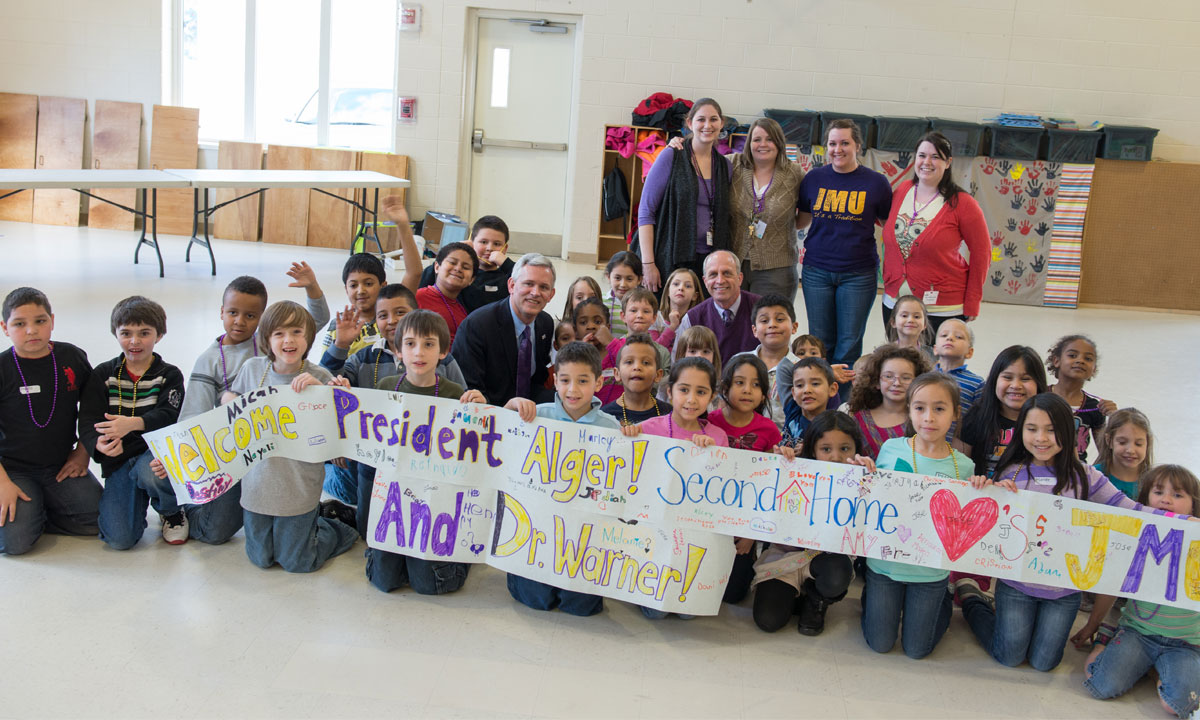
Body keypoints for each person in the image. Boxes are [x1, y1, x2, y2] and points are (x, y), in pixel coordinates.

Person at [956, 393, 1192, 672]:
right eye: (1032, 429)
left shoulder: (1086, 476)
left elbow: (1132, 510)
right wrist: (984, 487)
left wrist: (1185, 522)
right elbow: (989, 518)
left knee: (1045, 663)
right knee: (1009, 656)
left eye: (1052, 430)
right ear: (1022, 432)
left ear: (1068, 432)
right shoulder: (1012, 470)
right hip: (1017, 585)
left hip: (1063, 591)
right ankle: (973, 600)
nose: (1041, 438)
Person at [179, 271, 331, 544]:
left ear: (262, 320)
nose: (240, 321)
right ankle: (188, 508)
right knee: (216, 533)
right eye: (233, 313)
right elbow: (194, 413)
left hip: (282, 456)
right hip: (235, 451)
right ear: (222, 312)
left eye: (251, 316)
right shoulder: (211, 360)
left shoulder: (276, 342)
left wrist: (312, 288)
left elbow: (312, 322)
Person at [223, 301, 358, 573]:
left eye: (297, 332)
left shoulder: (318, 375)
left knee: (299, 561)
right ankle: (308, 527)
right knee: (261, 558)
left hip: (299, 485)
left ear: (308, 338)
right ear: (267, 339)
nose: (289, 340)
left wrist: (323, 393)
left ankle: (336, 524)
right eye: (279, 333)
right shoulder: (253, 369)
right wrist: (228, 398)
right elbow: (232, 402)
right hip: (258, 486)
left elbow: (342, 430)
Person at [360, 310, 480, 594]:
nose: (419, 352)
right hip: (394, 497)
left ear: (443, 351)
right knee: (384, 581)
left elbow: (474, 443)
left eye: (429, 344)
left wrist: (480, 408)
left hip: (434, 498)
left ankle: (461, 559)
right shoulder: (386, 388)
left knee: (430, 584)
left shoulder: (453, 393)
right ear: (398, 351)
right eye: (411, 343)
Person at [863, 373, 982, 659]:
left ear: (954, 413)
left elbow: (964, 520)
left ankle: (942, 600)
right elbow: (874, 496)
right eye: (919, 408)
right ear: (909, 411)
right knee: (880, 644)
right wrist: (864, 471)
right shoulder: (891, 449)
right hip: (885, 565)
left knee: (917, 650)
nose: (929, 417)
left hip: (930, 571)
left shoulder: (964, 467)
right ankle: (874, 599)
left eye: (939, 409)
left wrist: (984, 490)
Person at [624, 357, 750, 618]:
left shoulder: (716, 436)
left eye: (701, 392)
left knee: (687, 612)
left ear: (712, 396)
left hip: (694, 531)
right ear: (669, 392)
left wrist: (709, 455)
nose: (691, 399)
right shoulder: (647, 429)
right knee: (656, 613)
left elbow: (721, 488)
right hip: (654, 529)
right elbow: (629, 471)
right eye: (684, 390)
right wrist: (627, 438)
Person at [503, 341, 619, 616]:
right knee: (537, 600)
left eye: (582, 381)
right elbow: (500, 433)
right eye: (565, 380)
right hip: (538, 528)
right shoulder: (536, 415)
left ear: (598, 382)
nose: (573, 389)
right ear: (555, 380)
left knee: (581, 607)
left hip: (582, 534)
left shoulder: (611, 427)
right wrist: (511, 404)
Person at [1080, 465, 1200, 719]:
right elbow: (1112, 584)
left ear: (1193, 506)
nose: (1166, 500)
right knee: (1099, 685)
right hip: (1139, 633)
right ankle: (1106, 640)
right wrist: (1094, 625)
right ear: (1145, 500)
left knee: (1177, 706)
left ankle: (1157, 669)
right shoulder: (1135, 534)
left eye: (1178, 495)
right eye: (1158, 493)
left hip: (1186, 643)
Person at [78, 296, 186, 549]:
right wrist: (99, 445)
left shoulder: (168, 375)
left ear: (159, 335)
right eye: (126, 333)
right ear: (115, 333)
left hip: (153, 453)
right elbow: (87, 420)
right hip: (118, 460)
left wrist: (132, 424)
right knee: (119, 539)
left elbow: (169, 416)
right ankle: (135, 503)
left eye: (144, 333)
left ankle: (171, 510)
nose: (135, 341)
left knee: (149, 472)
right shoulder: (103, 374)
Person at [0, 288, 101, 555]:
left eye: (40, 321)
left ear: (52, 321)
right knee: (15, 543)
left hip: (59, 466)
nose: (32, 330)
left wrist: (82, 453)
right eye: (20, 324)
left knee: (102, 521)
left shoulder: (72, 357)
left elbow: (93, 409)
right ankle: (29, 514)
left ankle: (37, 512)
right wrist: (2, 483)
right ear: (4, 328)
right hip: (12, 470)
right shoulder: (2, 368)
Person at [796, 119, 893, 397]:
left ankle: (843, 404)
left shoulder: (876, 183)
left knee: (849, 345)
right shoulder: (814, 178)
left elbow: (889, 228)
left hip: (858, 274)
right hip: (817, 271)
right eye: (833, 143)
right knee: (821, 343)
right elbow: (800, 221)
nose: (838, 149)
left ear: (858, 146)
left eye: (845, 143)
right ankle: (819, 400)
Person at [754, 411, 869, 635]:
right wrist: (779, 465)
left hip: (826, 559)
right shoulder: (796, 470)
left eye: (844, 448)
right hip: (786, 556)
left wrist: (870, 478)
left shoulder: (861, 479)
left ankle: (817, 601)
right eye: (826, 449)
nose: (835, 456)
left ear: (856, 449)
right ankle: (795, 593)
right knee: (768, 621)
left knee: (837, 574)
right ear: (813, 450)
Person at [670, 117, 804, 300]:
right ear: (749, 143)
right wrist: (678, 145)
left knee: (769, 322)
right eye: (757, 139)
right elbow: (699, 160)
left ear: (779, 143)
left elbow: (805, 215)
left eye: (770, 139)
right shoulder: (733, 164)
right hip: (733, 264)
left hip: (777, 268)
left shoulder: (795, 174)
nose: (763, 144)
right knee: (732, 322)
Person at [880, 131, 990, 332]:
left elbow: (982, 254)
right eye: (922, 155)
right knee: (897, 361)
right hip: (895, 303)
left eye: (935, 157)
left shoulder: (963, 204)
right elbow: (888, 224)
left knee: (933, 362)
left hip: (942, 308)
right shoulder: (903, 190)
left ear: (948, 162)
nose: (927, 162)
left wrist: (973, 300)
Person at [637, 98, 732, 291]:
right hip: (670, 257)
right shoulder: (672, 155)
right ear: (689, 123)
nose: (707, 125)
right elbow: (646, 211)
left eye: (713, 119)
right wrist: (648, 265)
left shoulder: (725, 166)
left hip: (709, 262)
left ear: (721, 123)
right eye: (701, 119)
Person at [451, 253, 557, 406]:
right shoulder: (477, 326)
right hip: (489, 410)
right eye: (528, 284)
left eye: (544, 287)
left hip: (529, 409)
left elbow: (537, 380)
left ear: (551, 295)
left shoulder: (545, 323)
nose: (535, 292)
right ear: (511, 285)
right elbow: (468, 389)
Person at [675, 250, 760, 363]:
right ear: (705, 281)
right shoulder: (692, 319)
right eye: (713, 274)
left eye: (727, 273)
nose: (720, 281)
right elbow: (678, 364)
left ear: (739, 278)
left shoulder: (762, 310)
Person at [845, 345, 930, 458]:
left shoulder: (924, 420)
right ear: (876, 381)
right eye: (888, 376)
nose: (897, 383)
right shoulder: (859, 420)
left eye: (905, 378)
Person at [419, 215, 514, 312]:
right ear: (472, 242)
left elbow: (526, 279)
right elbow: (425, 282)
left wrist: (506, 263)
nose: (489, 248)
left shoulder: (508, 275)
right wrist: (453, 252)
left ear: (505, 248)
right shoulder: (463, 274)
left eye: (497, 244)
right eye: (483, 242)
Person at [1045, 334, 1116, 462]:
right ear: (1056, 361)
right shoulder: (1039, 396)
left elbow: (1106, 453)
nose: (1080, 360)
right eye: (1072, 355)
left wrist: (1114, 418)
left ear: (1093, 369)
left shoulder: (1095, 407)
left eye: (1088, 359)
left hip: (1076, 475)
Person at [732, 294, 799, 427]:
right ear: (754, 330)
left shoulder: (801, 368)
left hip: (785, 441)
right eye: (764, 321)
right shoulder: (739, 361)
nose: (772, 325)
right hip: (741, 437)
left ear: (794, 327)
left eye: (780, 319)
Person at [599, 288, 670, 405]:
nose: (640, 315)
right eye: (633, 310)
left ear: (654, 318)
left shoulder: (662, 352)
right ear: (623, 316)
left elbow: (661, 386)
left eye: (646, 311)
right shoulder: (613, 347)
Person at [708, 355, 788, 455]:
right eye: (740, 382)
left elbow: (772, 465)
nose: (747, 390)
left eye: (756, 384)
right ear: (725, 388)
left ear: (763, 395)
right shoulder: (709, 422)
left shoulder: (769, 429)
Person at [415, 241, 478, 346]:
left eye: (466, 267)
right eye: (452, 263)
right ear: (436, 267)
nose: (458, 269)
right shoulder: (417, 298)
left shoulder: (462, 311)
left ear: (471, 280)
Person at [600, 332, 669, 426]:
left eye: (646, 363)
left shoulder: (670, 414)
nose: (637, 367)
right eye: (629, 362)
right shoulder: (605, 416)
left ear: (658, 375)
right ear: (617, 373)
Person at [932, 317, 983, 440]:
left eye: (959, 337)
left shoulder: (977, 384)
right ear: (935, 349)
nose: (949, 338)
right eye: (944, 335)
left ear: (969, 352)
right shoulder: (923, 377)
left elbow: (978, 422)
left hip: (955, 449)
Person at [782, 357, 840, 450]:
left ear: (832, 389)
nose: (807, 390)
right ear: (793, 393)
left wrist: (809, 451)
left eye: (815, 384)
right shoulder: (792, 412)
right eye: (800, 385)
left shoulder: (835, 428)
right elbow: (783, 365)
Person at [1094, 408, 1153, 500]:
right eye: (1122, 442)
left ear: (1147, 443)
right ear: (1109, 440)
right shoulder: (1093, 475)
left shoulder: (1154, 481)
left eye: (1138, 444)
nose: (1131, 450)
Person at [650, 267, 701, 348]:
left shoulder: (696, 322)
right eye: (676, 284)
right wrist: (672, 326)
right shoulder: (654, 318)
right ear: (667, 291)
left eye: (687, 286)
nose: (681, 288)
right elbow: (654, 350)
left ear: (695, 296)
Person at [884, 295, 935, 364]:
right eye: (904, 316)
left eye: (916, 317)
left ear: (925, 324)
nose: (911, 320)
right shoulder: (883, 353)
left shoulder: (932, 354)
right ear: (893, 322)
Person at [602, 251, 642, 338]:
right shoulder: (601, 301)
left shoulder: (644, 304)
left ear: (639, 279)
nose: (623, 284)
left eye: (629, 279)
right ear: (608, 277)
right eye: (617, 278)